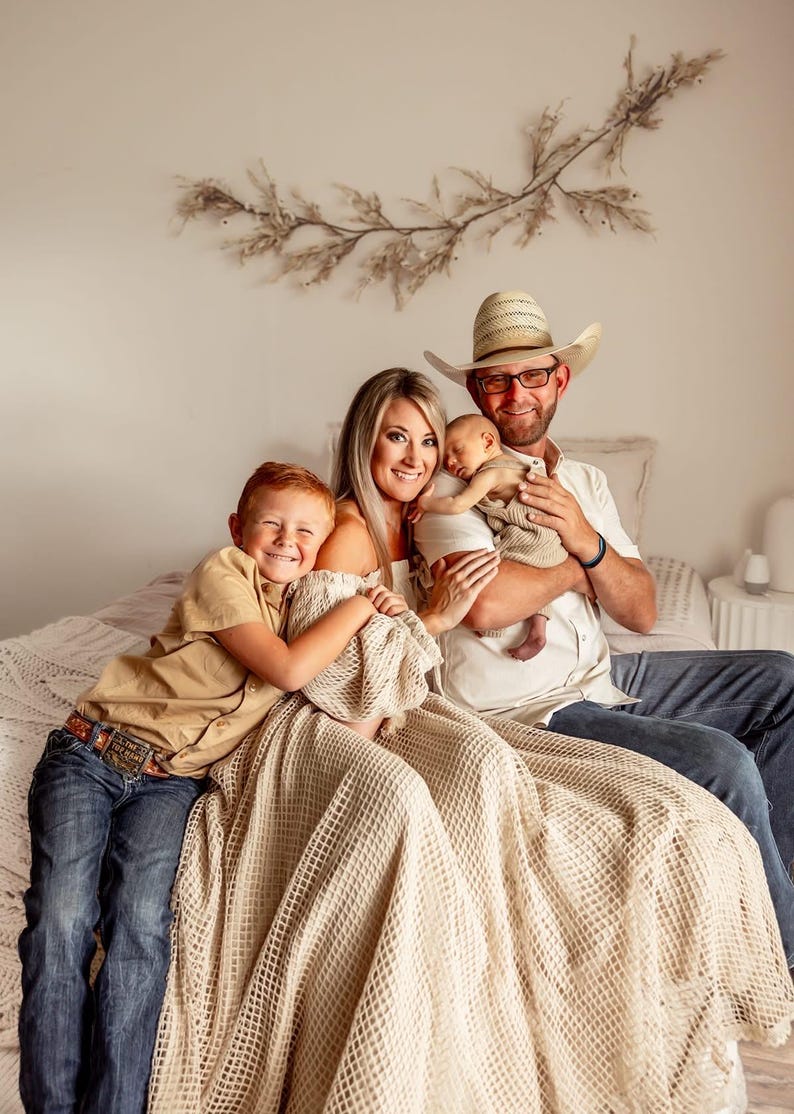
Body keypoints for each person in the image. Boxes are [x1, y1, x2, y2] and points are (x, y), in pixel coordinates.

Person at [147, 368, 792, 1114]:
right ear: (367, 440)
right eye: (398, 437)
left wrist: (554, 580)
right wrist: (458, 611)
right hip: (368, 710)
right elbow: (357, 668)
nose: (418, 455)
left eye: (428, 438)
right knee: (489, 777)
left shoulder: (452, 508)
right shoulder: (364, 528)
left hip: (470, 687)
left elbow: (623, 603)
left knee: (762, 687)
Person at [18, 460, 407, 1114]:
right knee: (62, 917)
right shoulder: (223, 573)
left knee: (141, 927)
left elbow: (354, 680)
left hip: (170, 786)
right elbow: (286, 671)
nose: (288, 541)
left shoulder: (304, 609)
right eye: (271, 524)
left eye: (307, 533)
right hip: (93, 752)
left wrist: (391, 614)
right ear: (238, 527)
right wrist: (363, 606)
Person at [418, 288, 794, 962]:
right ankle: (786, 957)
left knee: (783, 680)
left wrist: (586, 537)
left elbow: (642, 610)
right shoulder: (448, 485)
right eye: (497, 380)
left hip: (603, 675)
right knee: (721, 761)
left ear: (559, 379)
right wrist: (576, 564)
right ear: (476, 390)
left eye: (532, 374)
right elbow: (488, 606)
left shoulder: (586, 482)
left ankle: (772, 903)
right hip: (528, 707)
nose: (516, 395)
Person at [415, 411, 567, 659]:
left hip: (529, 535)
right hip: (550, 540)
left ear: (487, 442)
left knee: (496, 567)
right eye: (446, 458)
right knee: (536, 582)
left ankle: (497, 625)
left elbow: (457, 504)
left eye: (457, 450)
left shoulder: (491, 473)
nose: (451, 462)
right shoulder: (516, 467)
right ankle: (538, 632)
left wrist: (425, 504)